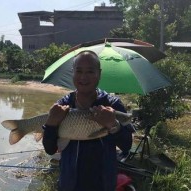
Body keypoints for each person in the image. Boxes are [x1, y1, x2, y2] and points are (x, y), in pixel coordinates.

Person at [42, 50, 134, 191]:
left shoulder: (112, 104)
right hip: (70, 184)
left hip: (103, 183)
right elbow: (50, 149)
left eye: (90, 71)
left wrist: (113, 125)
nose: (83, 77)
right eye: (79, 71)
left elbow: (127, 145)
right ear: (72, 73)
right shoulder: (62, 105)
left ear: (99, 74)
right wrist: (50, 125)